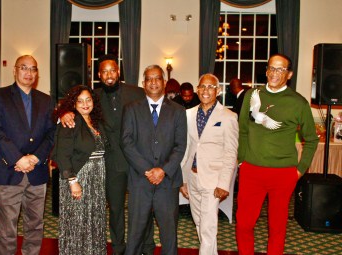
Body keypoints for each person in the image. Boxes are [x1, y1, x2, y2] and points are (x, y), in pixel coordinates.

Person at [60, 54, 154, 255]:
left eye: (112, 70)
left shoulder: (137, 93)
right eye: (104, 71)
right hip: (111, 162)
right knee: (115, 209)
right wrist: (64, 114)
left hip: (138, 161)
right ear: (99, 74)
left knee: (142, 208)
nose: (109, 74)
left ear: (118, 72)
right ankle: (119, 248)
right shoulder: (93, 96)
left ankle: (146, 247)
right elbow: (74, 109)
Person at [236, 54, 319, 255]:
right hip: (251, 171)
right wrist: (241, 162)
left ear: (289, 74)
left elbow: (312, 139)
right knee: (244, 224)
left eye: (280, 70)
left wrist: (299, 170)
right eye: (271, 68)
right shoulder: (251, 95)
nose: (274, 73)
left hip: (283, 174)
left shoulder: (298, 103)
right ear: (266, 71)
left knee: (277, 227)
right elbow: (243, 130)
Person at [0, 55, 56, 255]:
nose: (29, 72)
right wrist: (18, 158)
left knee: (35, 225)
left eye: (33, 69)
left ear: (37, 73)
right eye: (24, 68)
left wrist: (35, 158)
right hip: (9, 170)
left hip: (37, 171)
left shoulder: (46, 100)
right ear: (15, 70)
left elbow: (51, 133)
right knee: (7, 229)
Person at [121, 65, 187, 255]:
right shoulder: (131, 109)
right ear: (143, 84)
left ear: (164, 82)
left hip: (167, 182)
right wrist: (148, 170)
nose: (153, 82)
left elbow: (180, 145)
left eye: (157, 78)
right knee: (135, 233)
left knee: (169, 234)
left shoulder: (178, 111)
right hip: (140, 181)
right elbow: (126, 142)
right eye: (149, 79)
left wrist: (163, 170)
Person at [180, 74, 238, 255]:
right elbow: (186, 148)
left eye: (210, 87)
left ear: (218, 91)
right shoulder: (188, 115)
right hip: (192, 177)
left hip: (213, 179)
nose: (206, 90)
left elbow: (231, 152)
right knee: (200, 222)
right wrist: (183, 179)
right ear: (197, 90)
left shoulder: (228, 117)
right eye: (202, 87)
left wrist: (224, 183)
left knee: (208, 225)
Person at [52, 85, 107, 254]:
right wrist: (73, 181)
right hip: (78, 177)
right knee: (77, 223)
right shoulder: (70, 121)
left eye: (88, 100)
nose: (85, 104)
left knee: (94, 220)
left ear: (93, 102)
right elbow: (62, 154)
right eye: (80, 101)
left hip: (97, 178)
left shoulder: (96, 121)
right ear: (73, 104)